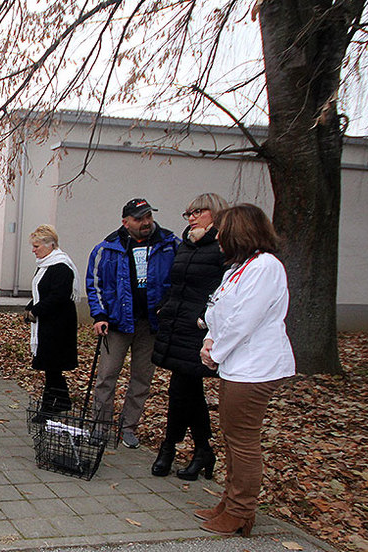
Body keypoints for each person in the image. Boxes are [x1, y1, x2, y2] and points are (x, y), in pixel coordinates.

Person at [195, 203, 294, 537]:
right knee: (232, 437)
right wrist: (210, 341)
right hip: (236, 366)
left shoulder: (266, 267)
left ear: (239, 232)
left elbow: (244, 321)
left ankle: (241, 511)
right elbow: (219, 312)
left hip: (255, 368)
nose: (217, 236)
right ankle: (230, 502)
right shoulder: (238, 268)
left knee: (243, 442)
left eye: (222, 231)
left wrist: (216, 353)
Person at [86, 198, 178, 448]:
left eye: (148, 216)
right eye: (139, 218)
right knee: (106, 376)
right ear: (126, 222)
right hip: (116, 324)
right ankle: (100, 427)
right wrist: (100, 315)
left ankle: (128, 427)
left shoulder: (169, 245)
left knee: (142, 378)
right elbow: (94, 285)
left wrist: (166, 309)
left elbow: (178, 280)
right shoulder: (107, 248)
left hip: (150, 325)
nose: (146, 222)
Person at [150, 193, 229, 479]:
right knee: (187, 392)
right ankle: (202, 451)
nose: (192, 217)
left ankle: (170, 448)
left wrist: (204, 319)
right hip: (176, 326)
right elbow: (176, 283)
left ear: (216, 213)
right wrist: (164, 307)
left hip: (198, 331)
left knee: (182, 391)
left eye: (198, 211)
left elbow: (224, 290)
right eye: (189, 213)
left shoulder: (223, 248)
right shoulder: (186, 246)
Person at [24, 225, 79, 423]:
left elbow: (58, 296)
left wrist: (35, 311)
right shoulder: (46, 264)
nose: (34, 250)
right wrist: (30, 308)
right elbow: (40, 292)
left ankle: (48, 407)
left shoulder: (61, 266)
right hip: (47, 324)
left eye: (37, 246)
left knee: (52, 366)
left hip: (58, 327)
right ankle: (63, 401)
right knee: (51, 368)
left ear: (50, 245)